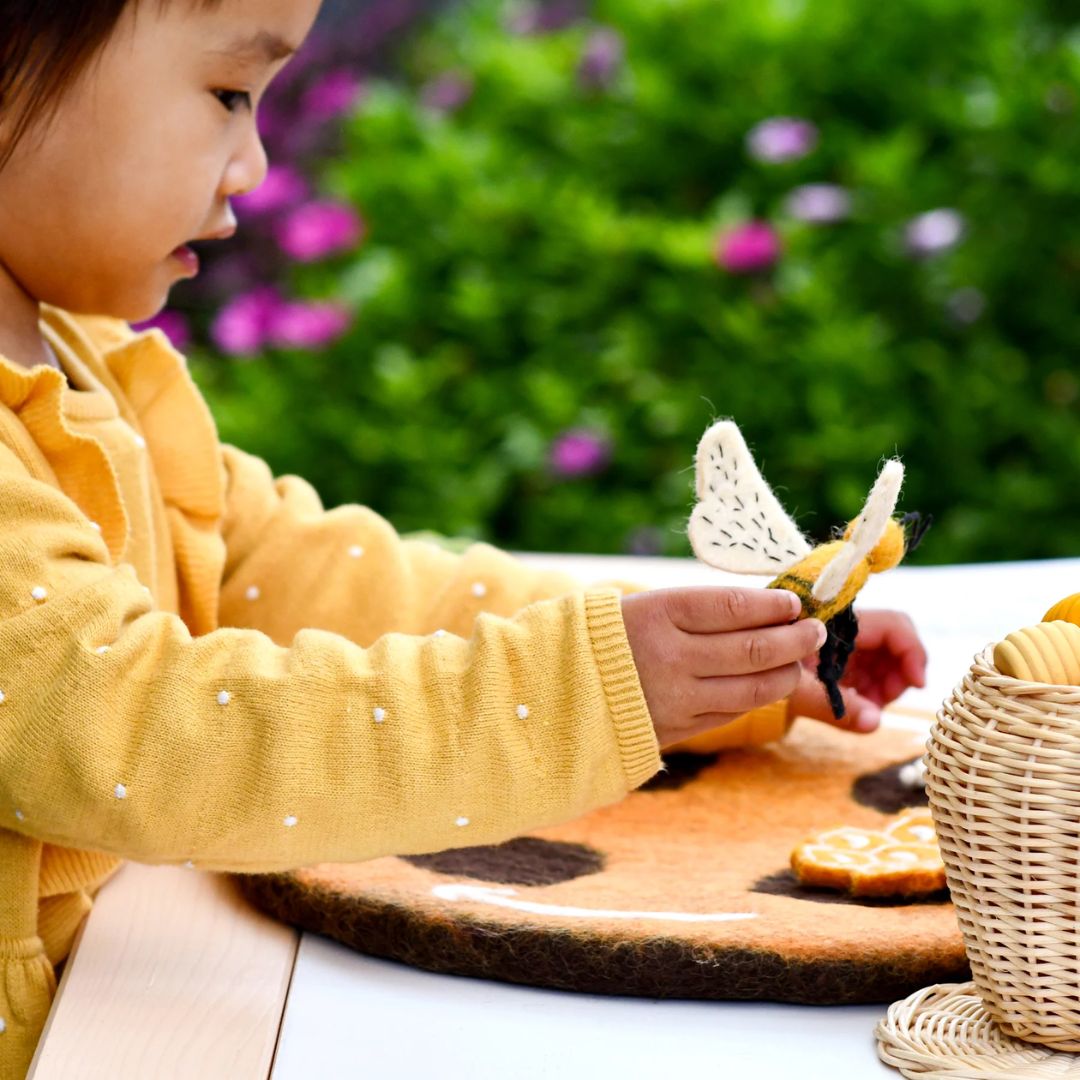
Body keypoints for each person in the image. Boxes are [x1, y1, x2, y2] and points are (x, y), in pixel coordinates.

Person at [0, 0, 927, 1073]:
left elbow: (313, 576)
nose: (253, 164)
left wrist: (708, 665)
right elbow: (141, 731)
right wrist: (585, 691)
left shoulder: (82, 359)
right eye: (226, 94)